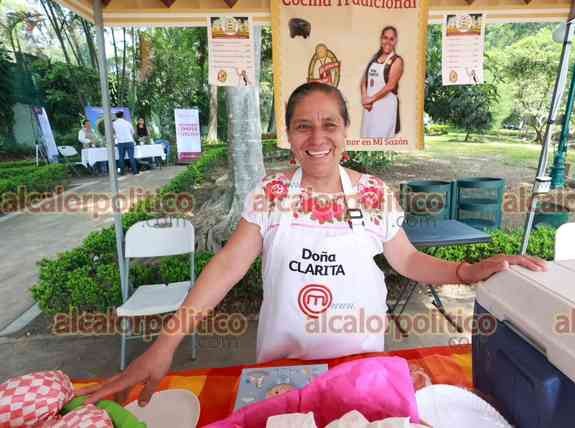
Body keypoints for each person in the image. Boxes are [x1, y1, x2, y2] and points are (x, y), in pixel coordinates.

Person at [82, 82, 546, 406]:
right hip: (282, 371)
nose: (318, 137)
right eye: (303, 126)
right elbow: (226, 267)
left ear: (346, 132)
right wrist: (165, 344)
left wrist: (465, 271)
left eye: (330, 124)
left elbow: (406, 259)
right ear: (289, 136)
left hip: (359, 364)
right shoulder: (270, 194)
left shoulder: (372, 193)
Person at [360, 26, 404, 138]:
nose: (388, 42)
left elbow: (390, 86)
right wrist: (364, 97)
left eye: (391, 39)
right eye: (385, 38)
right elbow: (364, 80)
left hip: (385, 109)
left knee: (380, 140)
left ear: (395, 41)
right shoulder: (374, 58)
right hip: (370, 109)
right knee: (367, 138)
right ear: (381, 39)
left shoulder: (397, 60)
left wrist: (371, 99)